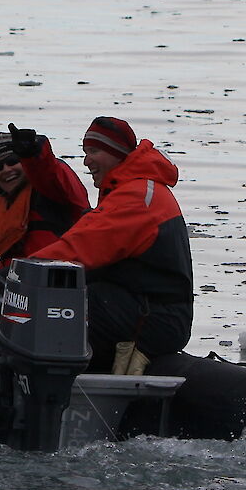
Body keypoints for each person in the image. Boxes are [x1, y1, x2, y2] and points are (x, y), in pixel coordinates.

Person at [27, 116, 196, 371]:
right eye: (85, 152)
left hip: (156, 317)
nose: (87, 160)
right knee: (80, 295)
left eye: (94, 151)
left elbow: (81, 248)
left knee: (66, 307)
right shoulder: (128, 189)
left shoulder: (138, 196)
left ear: (116, 152)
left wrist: (15, 275)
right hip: (142, 307)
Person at [0, 124, 91, 291]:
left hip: (54, 285)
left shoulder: (52, 190)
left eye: (12, 161)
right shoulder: (7, 203)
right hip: (18, 284)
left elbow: (48, 171)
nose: (6, 169)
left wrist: (33, 155)